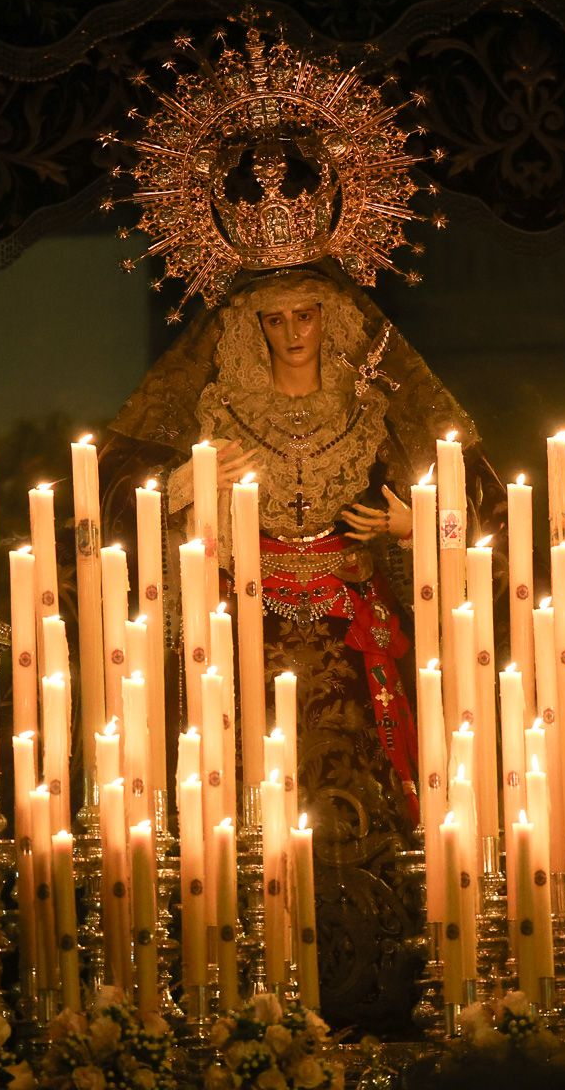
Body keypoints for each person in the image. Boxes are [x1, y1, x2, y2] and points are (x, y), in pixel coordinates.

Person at [96, 260, 504, 1029]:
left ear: (334, 320)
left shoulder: (376, 406)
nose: (291, 334)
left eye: (306, 316)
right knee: (247, 787)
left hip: (356, 631)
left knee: (374, 797)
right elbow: (118, 504)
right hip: (249, 627)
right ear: (250, 327)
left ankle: (391, 970)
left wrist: (418, 526)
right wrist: (191, 484)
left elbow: (476, 509)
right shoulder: (218, 409)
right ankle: (248, 976)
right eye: (274, 320)